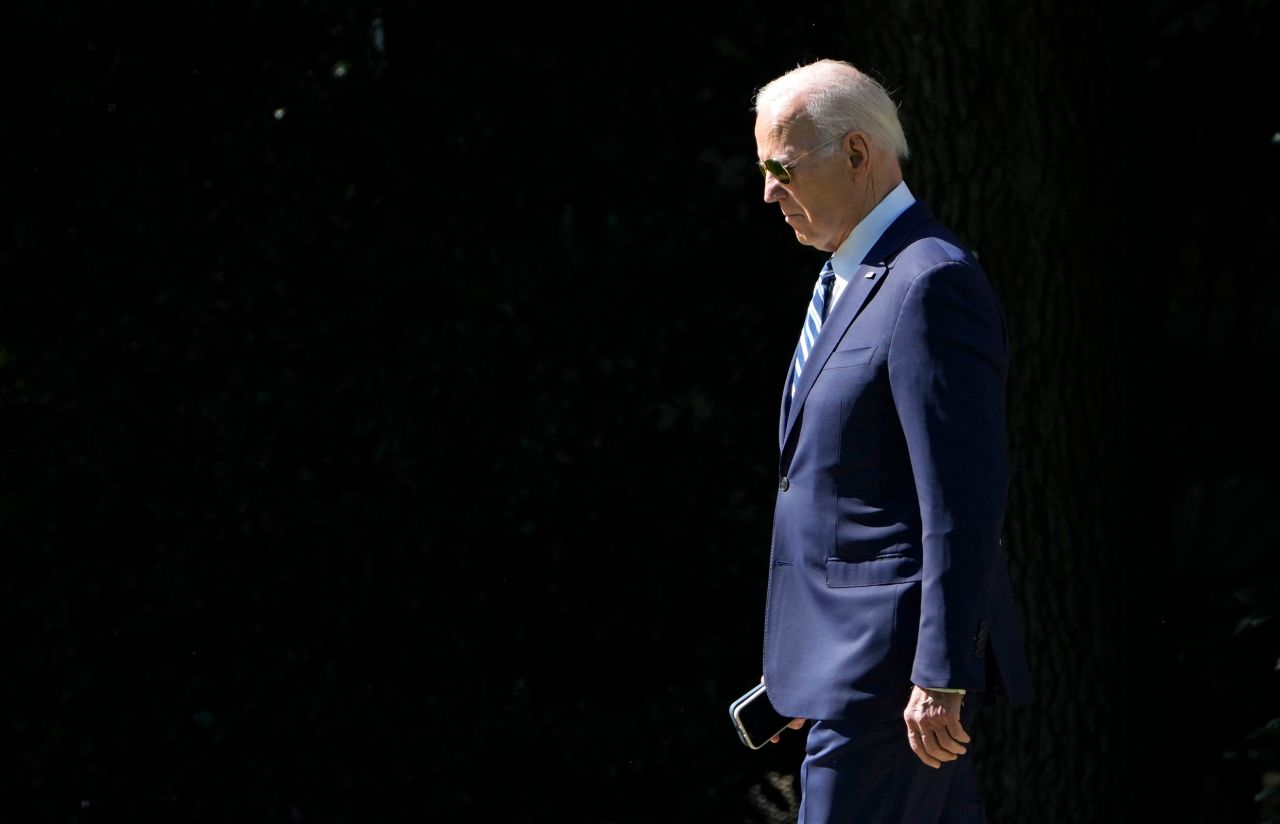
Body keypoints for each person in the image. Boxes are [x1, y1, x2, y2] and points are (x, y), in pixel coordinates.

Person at [750, 58, 1033, 823]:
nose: (769, 193)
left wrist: (940, 674)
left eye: (782, 168)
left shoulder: (928, 281)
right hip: (851, 677)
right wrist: (805, 667)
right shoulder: (849, 276)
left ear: (855, 154)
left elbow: (961, 498)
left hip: (894, 692)